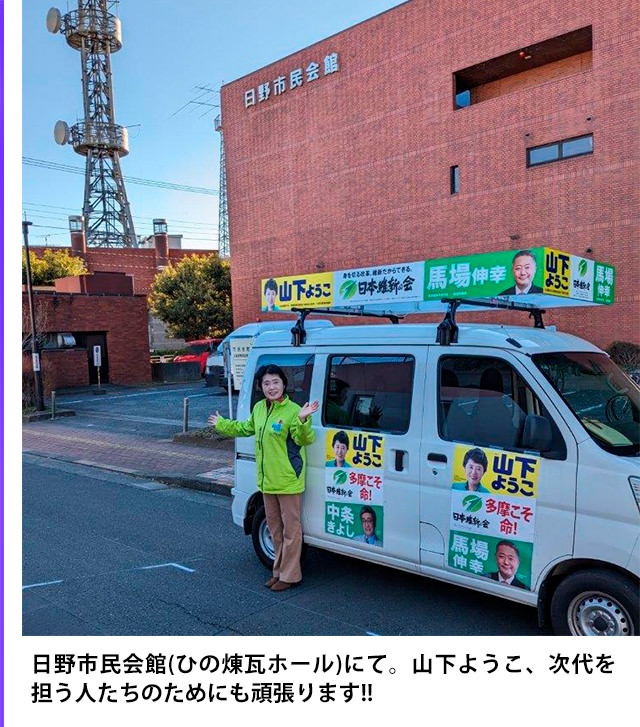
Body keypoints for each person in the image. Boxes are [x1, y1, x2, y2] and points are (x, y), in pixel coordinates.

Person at [209, 364, 318, 592]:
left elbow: (304, 439)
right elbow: (245, 428)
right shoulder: (260, 408)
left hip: (288, 481)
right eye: (266, 383)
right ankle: (278, 571)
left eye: (276, 382)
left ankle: (290, 575)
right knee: (275, 529)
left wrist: (302, 420)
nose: (271, 387)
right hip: (267, 481)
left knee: (291, 531)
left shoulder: (293, 410)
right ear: (261, 386)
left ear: (284, 384)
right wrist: (222, 424)